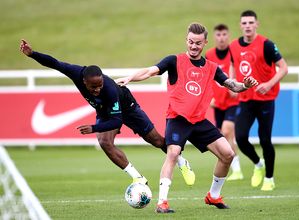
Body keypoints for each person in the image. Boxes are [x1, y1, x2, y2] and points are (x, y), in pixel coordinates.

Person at [116, 22, 258, 213]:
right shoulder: (174, 61)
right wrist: (130, 78)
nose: (193, 46)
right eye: (191, 42)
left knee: (228, 155)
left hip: (199, 121)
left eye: (198, 43)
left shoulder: (212, 67)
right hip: (177, 119)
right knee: (173, 153)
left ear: (205, 43)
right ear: (186, 40)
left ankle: (213, 196)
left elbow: (232, 85)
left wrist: (245, 85)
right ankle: (162, 203)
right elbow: (150, 71)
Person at [19, 39, 196, 187]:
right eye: (93, 87)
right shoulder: (75, 73)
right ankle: (138, 178)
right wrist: (32, 54)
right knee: (104, 142)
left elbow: (116, 122)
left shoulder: (110, 90)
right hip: (104, 112)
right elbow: (55, 63)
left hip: (127, 108)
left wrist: (94, 127)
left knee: (155, 140)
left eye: (99, 85)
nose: (97, 89)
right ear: (84, 81)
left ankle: (181, 162)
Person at [229, 10, 288, 191]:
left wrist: (269, 84)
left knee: (265, 140)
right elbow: (232, 64)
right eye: (244, 23)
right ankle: (258, 164)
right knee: (240, 137)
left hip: (265, 98)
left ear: (256, 24)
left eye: (250, 22)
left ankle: (269, 178)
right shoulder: (233, 46)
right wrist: (232, 83)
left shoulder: (267, 45)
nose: (247, 26)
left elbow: (284, 68)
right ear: (240, 25)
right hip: (246, 98)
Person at [205, 24, 243, 181]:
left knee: (227, 131)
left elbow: (242, 70)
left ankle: (237, 169)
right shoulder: (209, 54)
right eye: (218, 34)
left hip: (233, 101)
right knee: (225, 136)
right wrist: (209, 98)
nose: (221, 37)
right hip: (218, 102)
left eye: (224, 34)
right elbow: (205, 78)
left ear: (228, 35)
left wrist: (236, 86)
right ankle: (237, 168)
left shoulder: (235, 53)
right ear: (215, 37)